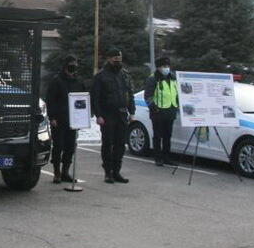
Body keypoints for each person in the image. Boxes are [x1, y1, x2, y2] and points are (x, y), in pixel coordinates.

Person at [90, 48, 135, 184]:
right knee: (108, 144)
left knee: (120, 144)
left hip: (121, 113)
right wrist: (98, 115)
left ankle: (116, 171)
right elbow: (95, 98)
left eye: (119, 58)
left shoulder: (125, 75)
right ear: (109, 59)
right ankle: (108, 172)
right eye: (115, 58)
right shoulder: (101, 76)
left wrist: (132, 112)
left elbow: (130, 94)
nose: (117, 61)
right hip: (107, 114)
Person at [45, 55, 86, 183]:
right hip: (59, 119)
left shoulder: (78, 81)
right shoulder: (56, 81)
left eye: (75, 63)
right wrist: (52, 117)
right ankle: (56, 172)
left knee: (70, 146)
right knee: (58, 146)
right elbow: (50, 100)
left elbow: (82, 99)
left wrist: (83, 116)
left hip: (73, 120)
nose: (74, 65)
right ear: (66, 65)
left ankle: (65, 172)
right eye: (71, 63)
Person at [144, 56, 178, 167]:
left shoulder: (173, 78)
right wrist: (154, 108)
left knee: (168, 136)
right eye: (164, 66)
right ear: (158, 67)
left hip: (170, 110)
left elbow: (176, 93)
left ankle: (167, 157)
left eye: (168, 66)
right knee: (158, 136)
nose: (166, 68)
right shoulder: (153, 78)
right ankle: (158, 158)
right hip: (158, 112)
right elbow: (148, 96)